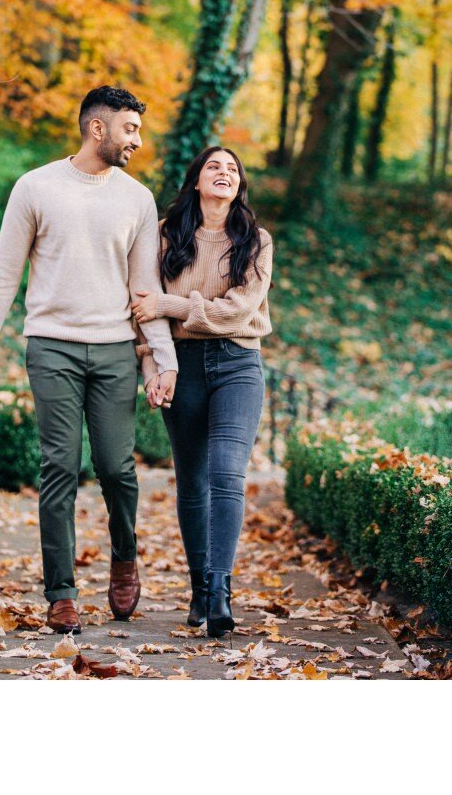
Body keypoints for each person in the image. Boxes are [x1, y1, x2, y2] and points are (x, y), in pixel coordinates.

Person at [0, 86, 177, 635]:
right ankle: (61, 592)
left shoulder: (137, 198)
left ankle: (124, 557)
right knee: (59, 465)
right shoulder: (35, 187)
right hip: (51, 345)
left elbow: (145, 290)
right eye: (130, 129)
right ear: (97, 129)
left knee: (115, 468)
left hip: (113, 351)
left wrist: (164, 359)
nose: (138, 140)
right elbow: (4, 273)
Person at [131, 145, 273, 640]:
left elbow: (236, 311)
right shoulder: (167, 238)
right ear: (196, 180)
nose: (224, 173)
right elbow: (141, 312)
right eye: (214, 166)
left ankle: (219, 591)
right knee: (191, 482)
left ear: (239, 186)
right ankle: (197, 589)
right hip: (181, 367)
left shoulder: (255, 241)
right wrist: (152, 366)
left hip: (238, 364)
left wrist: (170, 304)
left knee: (227, 474)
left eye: (233, 168)